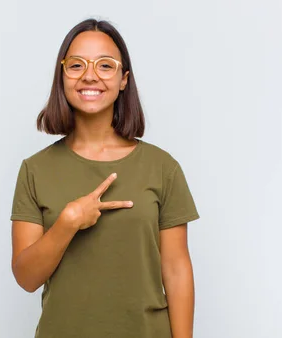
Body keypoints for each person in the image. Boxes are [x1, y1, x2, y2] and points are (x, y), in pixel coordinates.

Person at [10, 18, 200, 338]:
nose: (90, 75)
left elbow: (177, 270)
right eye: (76, 65)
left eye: (106, 65)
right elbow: (27, 278)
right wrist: (68, 221)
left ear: (124, 79)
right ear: (63, 75)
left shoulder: (162, 167)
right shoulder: (35, 170)